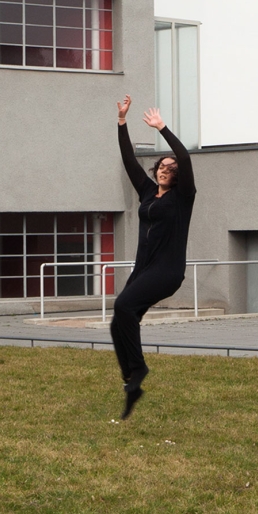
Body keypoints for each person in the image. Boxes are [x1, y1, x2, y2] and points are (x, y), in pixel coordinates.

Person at [111, 94, 196, 419]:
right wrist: (122, 121)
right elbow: (129, 160)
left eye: (169, 169)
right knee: (120, 321)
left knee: (122, 306)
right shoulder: (148, 193)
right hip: (144, 269)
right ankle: (131, 381)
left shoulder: (182, 198)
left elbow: (185, 159)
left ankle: (140, 368)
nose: (165, 170)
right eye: (162, 166)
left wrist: (162, 128)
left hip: (167, 270)